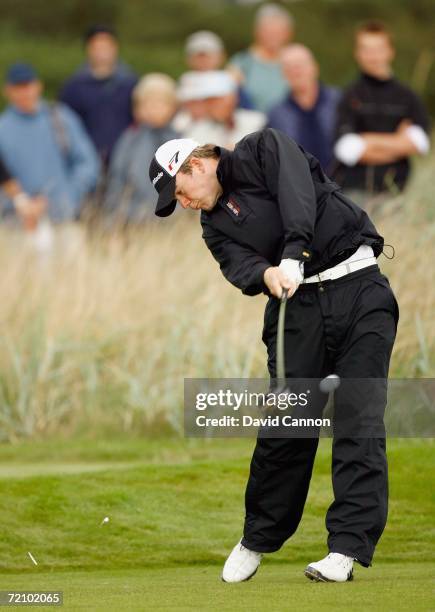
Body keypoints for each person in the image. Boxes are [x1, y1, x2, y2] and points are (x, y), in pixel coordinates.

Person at [148, 128, 399, 583]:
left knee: (358, 418)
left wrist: (294, 252)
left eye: (179, 192)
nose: (182, 204)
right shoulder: (213, 226)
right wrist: (267, 273)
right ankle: (257, 539)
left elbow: (297, 191)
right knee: (287, 423)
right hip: (298, 311)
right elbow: (238, 266)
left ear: (197, 165)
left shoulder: (262, 148)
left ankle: (345, 549)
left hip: (360, 289)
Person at [332, 21, 430, 207]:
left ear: (390, 51)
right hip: (355, 194)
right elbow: (347, 151)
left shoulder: (407, 96)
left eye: (378, 49)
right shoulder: (349, 95)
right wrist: (400, 143)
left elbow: (421, 143)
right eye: (366, 49)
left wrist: (368, 140)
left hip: (399, 193)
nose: (373, 56)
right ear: (357, 53)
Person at [0, 63, 99, 228]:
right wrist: (21, 204)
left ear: (38, 86)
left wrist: (63, 197)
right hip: (16, 224)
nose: (24, 92)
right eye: (18, 87)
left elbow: (88, 164)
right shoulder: (2, 128)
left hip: (64, 220)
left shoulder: (61, 119)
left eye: (28, 86)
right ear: (7, 91)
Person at [103, 74, 178, 226]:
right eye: (147, 104)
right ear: (136, 109)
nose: (153, 109)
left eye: (160, 103)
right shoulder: (129, 140)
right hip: (133, 220)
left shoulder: (181, 141)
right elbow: (117, 179)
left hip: (172, 222)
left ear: (173, 107)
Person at [60, 24, 137, 165]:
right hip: (86, 162)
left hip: (125, 160)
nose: (102, 52)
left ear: (115, 48)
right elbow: (64, 127)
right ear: (88, 50)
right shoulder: (73, 87)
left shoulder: (131, 84)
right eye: (97, 47)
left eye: (106, 47)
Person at [267, 44, 341, 171]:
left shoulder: (339, 101)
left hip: (342, 183)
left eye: (300, 65)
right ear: (283, 74)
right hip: (299, 187)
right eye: (289, 68)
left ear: (315, 68)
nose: (296, 72)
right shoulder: (276, 114)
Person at [228, 3, 293, 113]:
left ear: (288, 33)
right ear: (257, 32)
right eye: (268, 31)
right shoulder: (241, 63)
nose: (273, 36)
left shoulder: (296, 64)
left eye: (278, 32)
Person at [175, 71, 265, 149]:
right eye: (209, 100)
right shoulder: (196, 131)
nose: (214, 105)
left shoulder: (257, 121)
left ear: (233, 98)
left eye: (219, 99)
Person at [184, 30, 253, 109]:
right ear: (189, 59)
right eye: (199, 56)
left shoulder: (231, 83)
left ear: (221, 56)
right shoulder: (185, 82)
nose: (204, 61)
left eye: (209, 56)